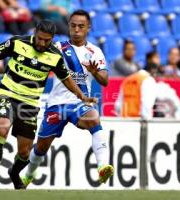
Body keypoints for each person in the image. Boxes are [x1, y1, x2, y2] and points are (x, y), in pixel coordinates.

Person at [0, 20, 96, 189]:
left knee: (24, 152)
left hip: (29, 104)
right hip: (7, 93)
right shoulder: (17, 42)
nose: (43, 43)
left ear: (52, 39)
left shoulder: (55, 56)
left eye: (47, 40)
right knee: (2, 128)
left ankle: (14, 173)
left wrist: (81, 96)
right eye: (40, 39)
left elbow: (66, 79)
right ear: (35, 33)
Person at [21, 10, 114, 188]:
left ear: (88, 28)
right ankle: (28, 175)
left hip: (80, 103)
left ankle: (103, 166)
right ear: (69, 26)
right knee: (41, 147)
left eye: (81, 26)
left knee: (94, 118)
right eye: (73, 26)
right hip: (56, 104)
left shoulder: (95, 51)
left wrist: (94, 72)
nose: (76, 30)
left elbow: (105, 81)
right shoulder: (56, 48)